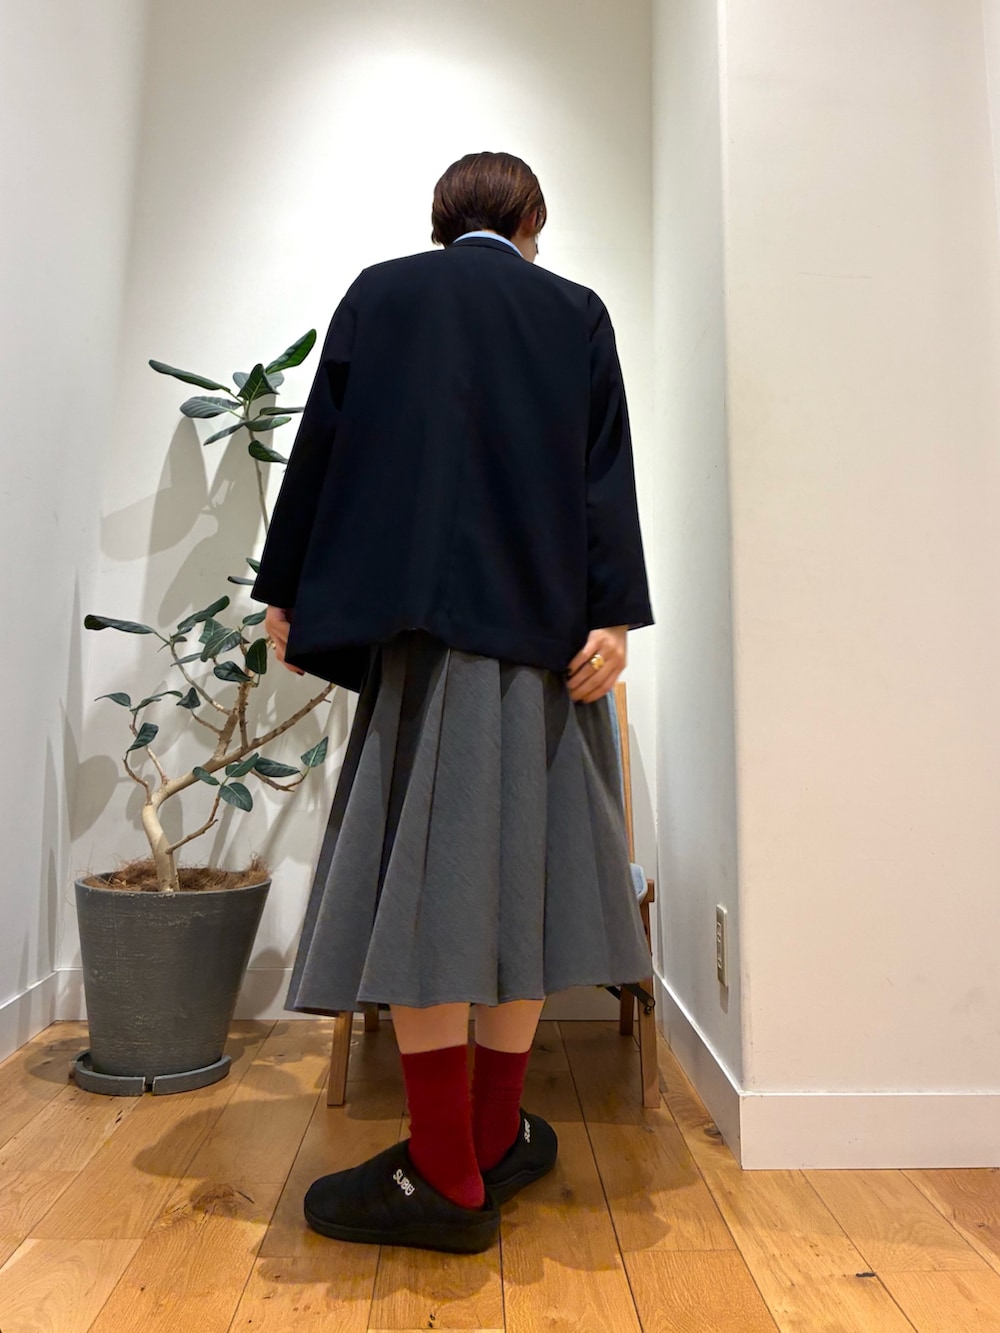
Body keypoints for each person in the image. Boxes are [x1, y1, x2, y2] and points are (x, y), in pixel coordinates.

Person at [252, 151, 653, 1255]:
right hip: (546, 654)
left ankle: (444, 1170)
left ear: (442, 221)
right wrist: (614, 620)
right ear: (531, 222)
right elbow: (604, 475)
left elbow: (322, 452)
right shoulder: (574, 310)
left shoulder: (380, 295)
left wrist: (287, 590)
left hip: (424, 654)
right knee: (521, 901)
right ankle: (489, 1136)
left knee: (427, 900)